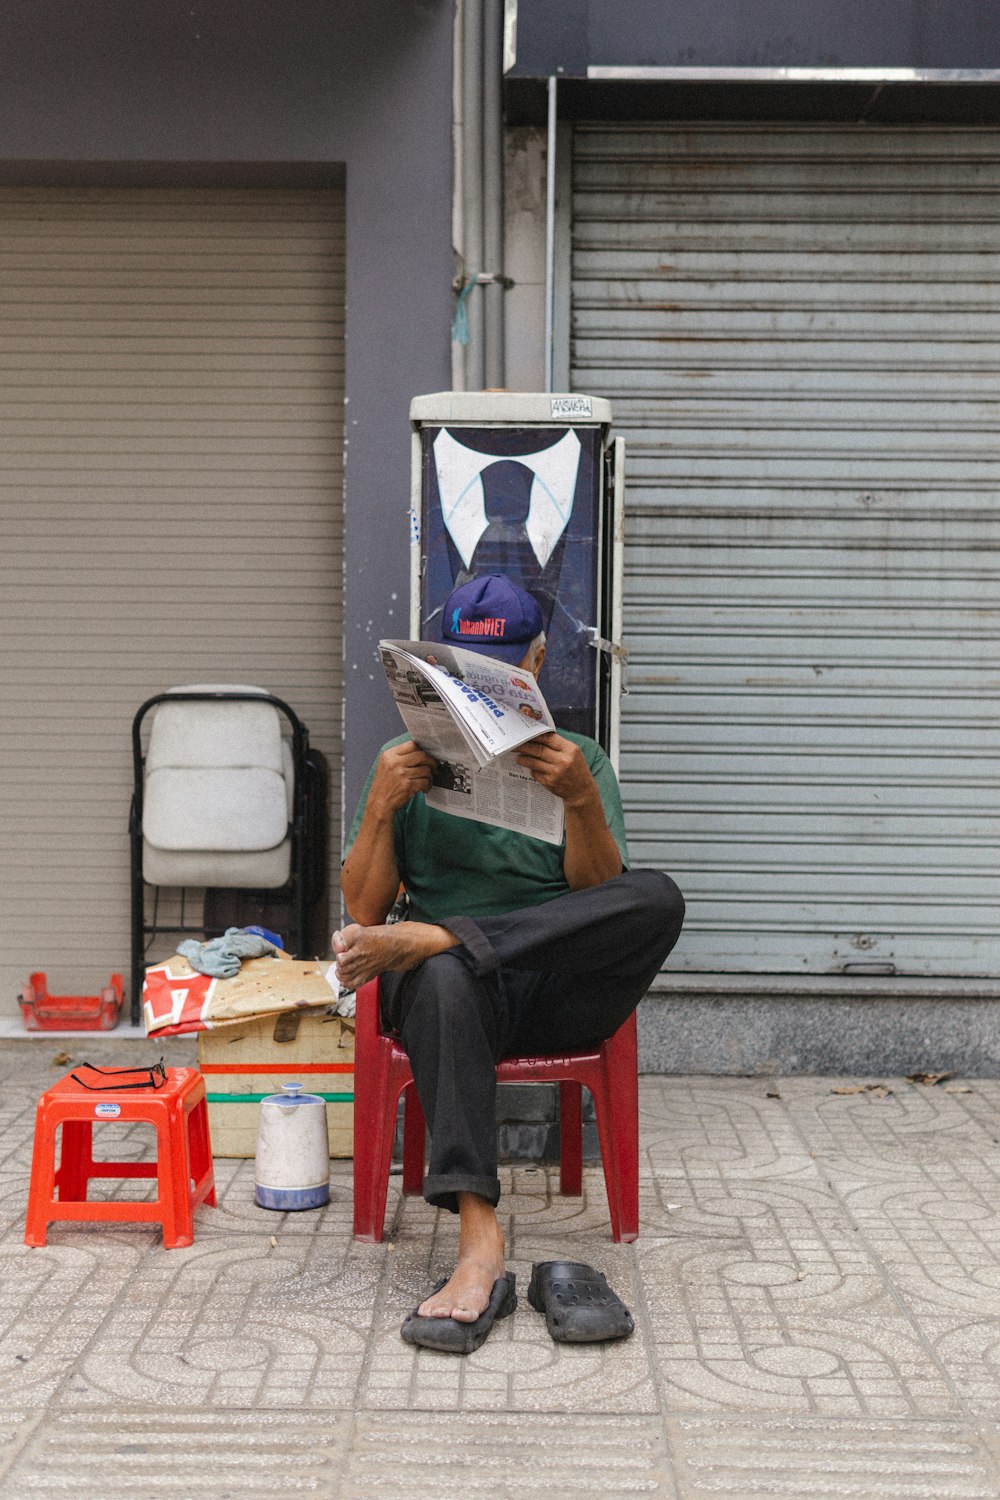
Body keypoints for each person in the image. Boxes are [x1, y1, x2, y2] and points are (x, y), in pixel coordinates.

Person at [335, 573, 684, 1352]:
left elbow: (601, 899)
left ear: (533, 660)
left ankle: (448, 935)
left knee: (656, 895)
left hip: (554, 987)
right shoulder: (401, 763)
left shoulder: (579, 759)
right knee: (446, 973)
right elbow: (364, 911)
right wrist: (385, 808)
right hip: (447, 998)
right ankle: (479, 1244)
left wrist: (583, 803)